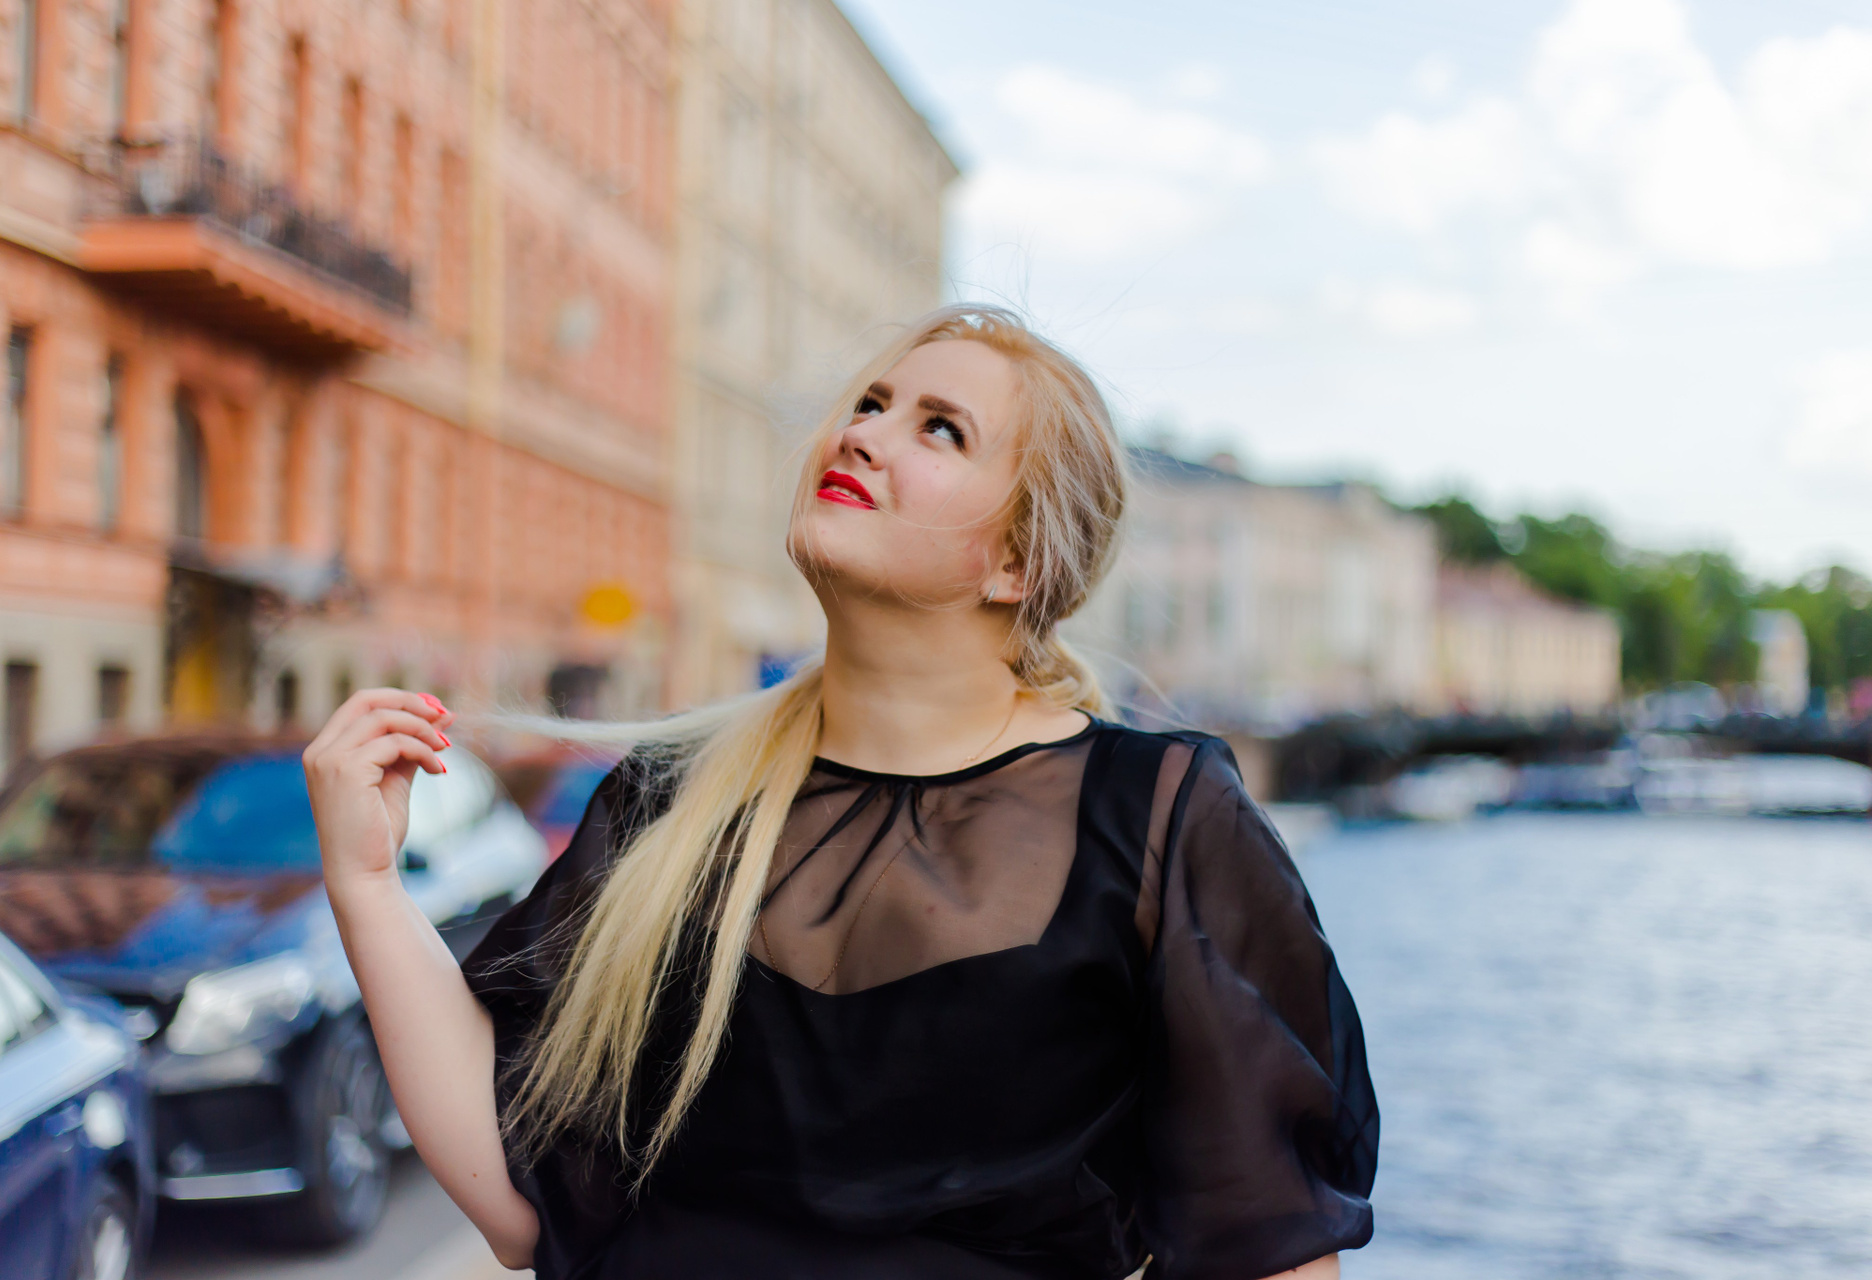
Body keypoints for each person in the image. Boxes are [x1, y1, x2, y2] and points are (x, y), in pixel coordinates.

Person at [303, 306, 1377, 1279]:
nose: (860, 435)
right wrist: (366, 883)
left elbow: (1269, 1249)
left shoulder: (1158, 816)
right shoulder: (672, 798)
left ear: (1016, 563)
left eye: (940, 429)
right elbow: (520, 1203)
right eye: (869, 404)